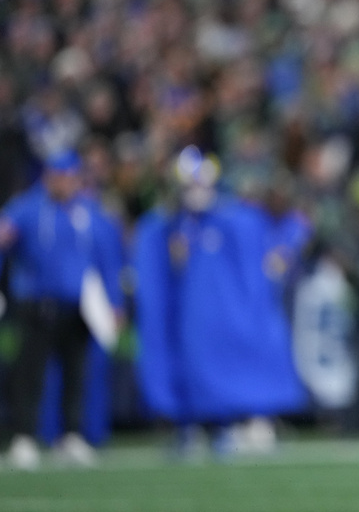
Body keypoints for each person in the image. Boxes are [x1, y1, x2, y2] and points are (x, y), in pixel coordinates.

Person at [133, 146, 309, 458]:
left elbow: (280, 243)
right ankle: (198, 424)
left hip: (223, 316)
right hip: (196, 321)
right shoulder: (170, 228)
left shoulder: (235, 220)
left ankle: (242, 421)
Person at [0, 150, 124, 469]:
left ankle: (70, 435)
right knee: (29, 374)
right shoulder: (27, 208)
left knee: (76, 373)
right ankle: (24, 436)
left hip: (78, 304)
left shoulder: (89, 214)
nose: (63, 183)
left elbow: (108, 262)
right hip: (35, 303)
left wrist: (115, 303)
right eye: (58, 176)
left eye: (69, 177)